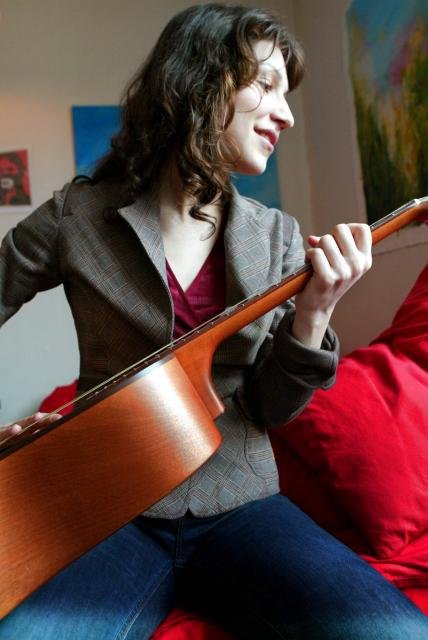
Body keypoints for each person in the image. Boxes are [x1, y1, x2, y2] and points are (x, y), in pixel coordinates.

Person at [0, 4, 427, 639]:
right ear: (199, 82)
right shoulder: (77, 216)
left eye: (287, 94)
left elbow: (272, 407)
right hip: (112, 509)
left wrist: (314, 313)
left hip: (243, 506)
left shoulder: (277, 236)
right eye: (266, 85)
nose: (286, 114)